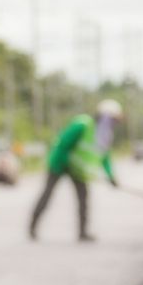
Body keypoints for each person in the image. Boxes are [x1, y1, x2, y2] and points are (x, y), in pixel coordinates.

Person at [29, 100, 121, 242]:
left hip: (78, 170)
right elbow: (62, 144)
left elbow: (104, 157)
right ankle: (32, 227)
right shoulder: (82, 125)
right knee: (47, 194)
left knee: (83, 199)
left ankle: (83, 232)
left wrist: (111, 176)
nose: (113, 123)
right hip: (59, 164)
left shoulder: (105, 136)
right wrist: (67, 163)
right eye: (112, 119)